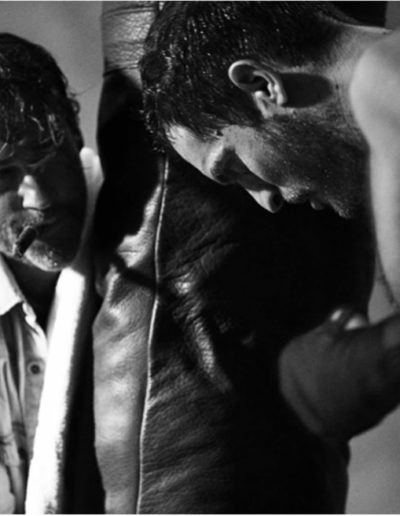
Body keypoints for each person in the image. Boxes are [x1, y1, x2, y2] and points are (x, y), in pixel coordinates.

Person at [139, 0, 400, 503]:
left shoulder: (384, 80)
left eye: (234, 167)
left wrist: (377, 361)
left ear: (261, 86)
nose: (267, 200)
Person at [0, 33, 101, 513]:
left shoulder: (154, 247)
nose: (37, 197)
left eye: (46, 151)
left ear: (76, 134)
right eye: (2, 176)